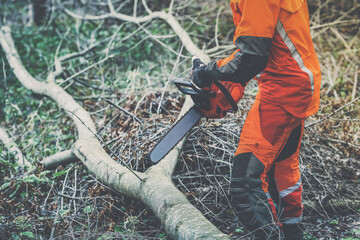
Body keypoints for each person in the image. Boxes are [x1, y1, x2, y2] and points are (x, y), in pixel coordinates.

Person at [190, 0, 321, 239]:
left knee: (245, 182)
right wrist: (226, 74)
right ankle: (292, 232)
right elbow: (264, 43)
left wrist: (211, 70)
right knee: (281, 166)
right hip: (295, 82)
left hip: (283, 91)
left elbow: (252, 57)